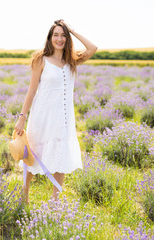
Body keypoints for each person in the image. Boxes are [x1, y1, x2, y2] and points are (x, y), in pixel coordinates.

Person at [14, 19, 97, 204]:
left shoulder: (72, 59)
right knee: (33, 156)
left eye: (63, 35)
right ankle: (24, 195)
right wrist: (22, 117)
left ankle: (55, 202)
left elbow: (92, 48)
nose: (59, 39)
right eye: (56, 35)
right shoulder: (40, 59)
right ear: (50, 38)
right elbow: (31, 91)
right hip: (42, 116)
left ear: (67, 38)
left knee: (61, 155)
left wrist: (72, 29)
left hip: (64, 119)